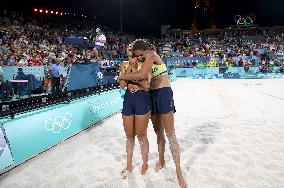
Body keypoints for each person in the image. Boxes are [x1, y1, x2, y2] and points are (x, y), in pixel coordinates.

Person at [118, 39, 187, 188]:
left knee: (170, 134)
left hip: (163, 92)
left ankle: (179, 173)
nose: (140, 58)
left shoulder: (150, 54)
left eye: (140, 55)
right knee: (158, 133)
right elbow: (140, 81)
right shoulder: (140, 59)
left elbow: (142, 75)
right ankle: (161, 160)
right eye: (137, 56)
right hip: (150, 95)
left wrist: (122, 77)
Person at [118, 43, 152, 179]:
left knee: (142, 136)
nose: (131, 51)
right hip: (128, 100)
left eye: (133, 49)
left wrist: (132, 81)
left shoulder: (146, 63)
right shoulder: (124, 64)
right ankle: (129, 165)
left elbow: (146, 85)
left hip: (142, 99)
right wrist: (131, 68)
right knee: (129, 136)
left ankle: (145, 163)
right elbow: (122, 85)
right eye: (129, 49)